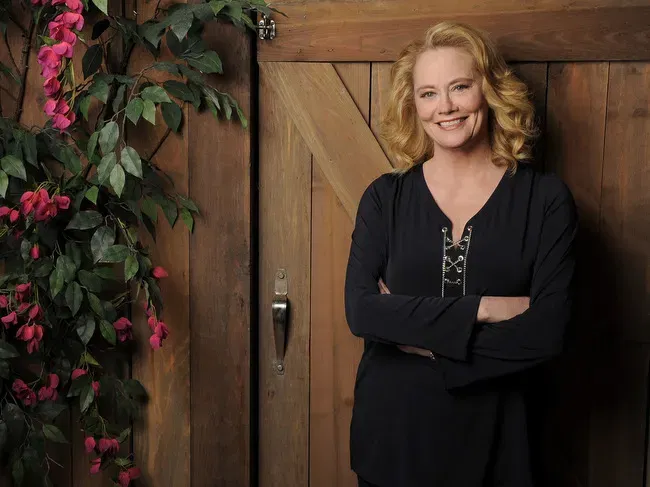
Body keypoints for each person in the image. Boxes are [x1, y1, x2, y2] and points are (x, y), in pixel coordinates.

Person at [344, 21, 578, 487]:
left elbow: (549, 330)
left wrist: (413, 332)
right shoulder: (384, 199)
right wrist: (486, 310)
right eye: (428, 93)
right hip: (393, 440)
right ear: (413, 105)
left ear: (488, 91)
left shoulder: (546, 199)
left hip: (502, 441)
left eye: (459, 87)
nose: (445, 107)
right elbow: (363, 311)